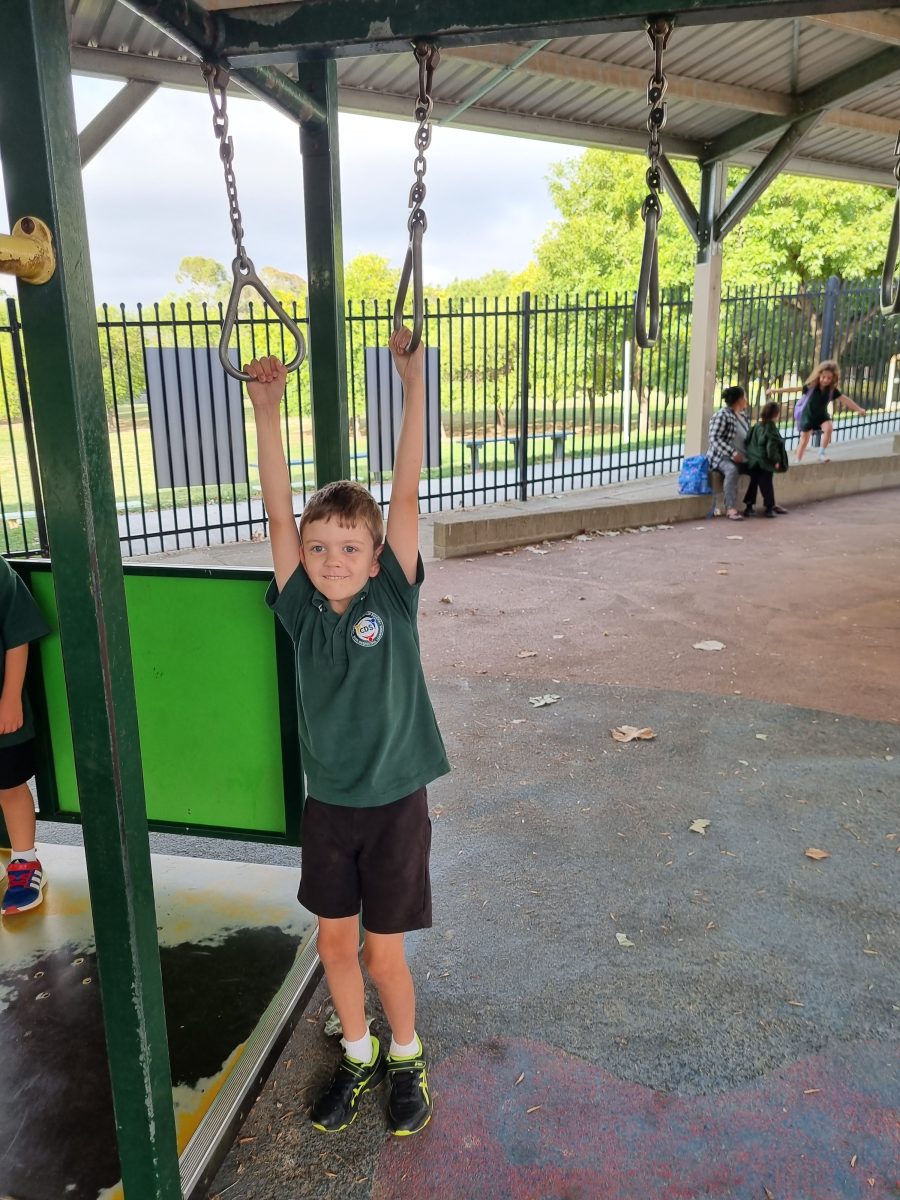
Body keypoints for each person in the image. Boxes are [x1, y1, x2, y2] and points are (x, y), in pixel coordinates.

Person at [245, 327, 449, 1138]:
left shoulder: (390, 599)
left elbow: (403, 494)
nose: (332, 557)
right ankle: (358, 1053)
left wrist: (412, 389)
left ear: (375, 559)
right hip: (330, 806)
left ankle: (407, 1052)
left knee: (381, 954)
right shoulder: (299, 609)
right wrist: (267, 410)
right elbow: (273, 502)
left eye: (349, 547)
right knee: (334, 947)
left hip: (396, 802)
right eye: (318, 545)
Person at [0, 555, 51, 916]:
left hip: (0, 711)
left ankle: (25, 862)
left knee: (9, 786)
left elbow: (18, 635)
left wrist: (10, 697)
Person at [768, 359, 865, 463]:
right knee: (804, 440)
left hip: (822, 415)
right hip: (808, 416)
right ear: (819, 376)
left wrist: (859, 409)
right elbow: (793, 389)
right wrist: (775, 390)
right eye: (823, 377)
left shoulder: (832, 390)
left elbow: (845, 400)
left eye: (829, 378)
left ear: (833, 379)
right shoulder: (811, 387)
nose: (826, 380)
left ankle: (821, 453)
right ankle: (797, 460)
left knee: (829, 428)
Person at [707, 385, 751, 521]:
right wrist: (732, 453)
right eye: (744, 397)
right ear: (739, 400)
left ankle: (762, 504)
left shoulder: (743, 416)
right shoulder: (722, 415)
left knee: (761, 469)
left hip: (742, 457)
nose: (746, 400)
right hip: (722, 458)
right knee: (732, 471)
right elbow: (714, 438)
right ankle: (730, 508)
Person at [743, 401, 789, 518]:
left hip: (753, 461)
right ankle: (769, 508)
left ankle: (749, 507)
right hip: (765, 463)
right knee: (767, 485)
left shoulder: (756, 426)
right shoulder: (771, 429)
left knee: (753, 484)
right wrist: (776, 461)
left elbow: (748, 440)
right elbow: (771, 449)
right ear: (776, 414)